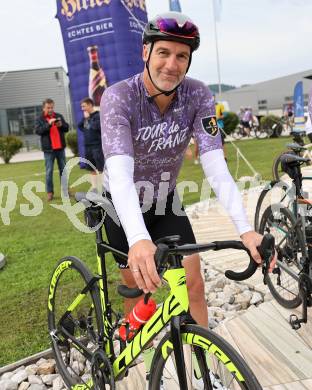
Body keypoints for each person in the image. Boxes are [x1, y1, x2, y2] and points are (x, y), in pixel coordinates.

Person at [100, 11, 270, 330]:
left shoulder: (198, 95)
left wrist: (245, 229)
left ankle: (200, 369)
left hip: (164, 200)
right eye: (163, 52)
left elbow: (215, 166)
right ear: (145, 52)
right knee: (139, 291)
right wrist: (138, 239)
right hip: (119, 204)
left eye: (182, 55)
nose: (171, 64)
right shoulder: (119, 97)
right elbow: (120, 173)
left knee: (194, 284)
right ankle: (142, 359)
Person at [35, 98, 69, 201]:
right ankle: (50, 193)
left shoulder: (58, 116)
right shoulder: (39, 119)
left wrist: (61, 125)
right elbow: (38, 131)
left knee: (63, 171)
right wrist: (49, 124)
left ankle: (65, 191)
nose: (50, 109)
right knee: (49, 171)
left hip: (60, 149)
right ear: (43, 108)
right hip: (49, 150)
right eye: (48, 107)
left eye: (51, 107)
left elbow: (67, 128)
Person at [78, 97, 104, 191]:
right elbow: (80, 126)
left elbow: (96, 127)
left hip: (96, 146)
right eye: (81, 107)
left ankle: (102, 186)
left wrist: (88, 119)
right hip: (88, 146)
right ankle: (94, 187)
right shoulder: (86, 116)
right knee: (91, 167)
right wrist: (86, 120)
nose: (82, 109)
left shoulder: (97, 115)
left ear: (90, 105)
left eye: (84, 106)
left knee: (100, 167)